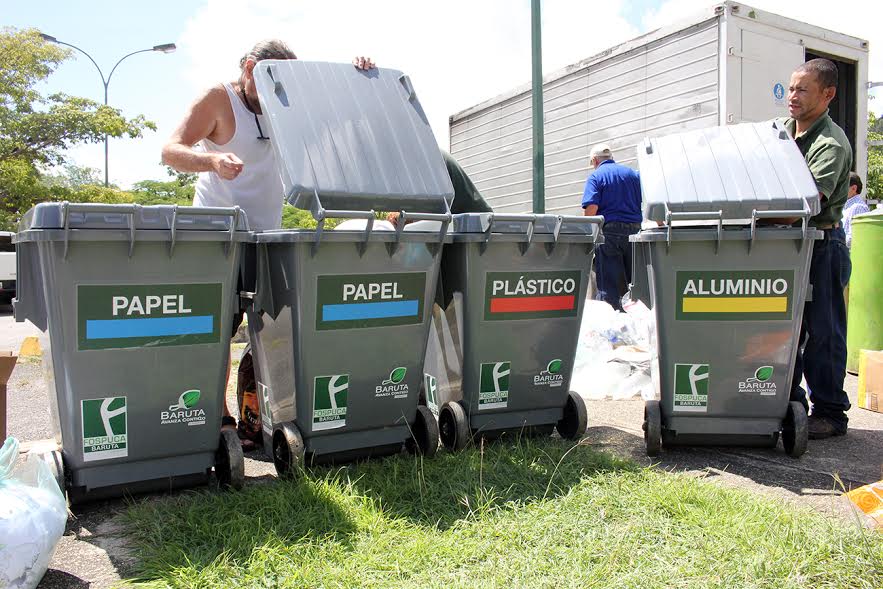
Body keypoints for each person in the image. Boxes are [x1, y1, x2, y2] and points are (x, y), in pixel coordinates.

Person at [162, 39, 375, 447]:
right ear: (248, 67)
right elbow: (171, 150)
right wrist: (211, 160)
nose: (277, 86)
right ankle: (219, 417)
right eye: (269, 76)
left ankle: (267, 411)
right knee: (218, 331)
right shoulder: (218, 99)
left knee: (275, 328)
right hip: (218, 238)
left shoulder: (285, 103)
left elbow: (341, 113)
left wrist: (359, 73)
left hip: (268, 238)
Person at [780, 58, 853, 439]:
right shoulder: (782, 136)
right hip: (791, 247)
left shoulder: (829, 143)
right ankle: (789, 403)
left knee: (823, 332)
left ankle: (830, 412)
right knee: (785, 330)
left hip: (823, 245)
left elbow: (803, 206)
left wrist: (758, 219)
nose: (793, 96)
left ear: (828, 94)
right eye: (791, 88)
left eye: (802, 89)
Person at [580, 143, 642, 311]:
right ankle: (637, 321)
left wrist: (588, 235)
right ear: (611, 157)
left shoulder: (596, 176)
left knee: (608, 284)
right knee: (636, 283)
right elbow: (651, 201)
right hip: (635, 233)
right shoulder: (633, 175)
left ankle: (611, 327)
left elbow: (591, 208)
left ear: (594, 160)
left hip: (609, 234)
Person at [386, 151, 492, 225]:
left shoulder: (429, 161)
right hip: (467, 228)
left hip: (478, 229)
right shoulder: (423, 156)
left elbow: (428, 216)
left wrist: (404, 219)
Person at [842, 172, 870, 248]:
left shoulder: (858, 207)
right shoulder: (847, 206)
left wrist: (835, 239)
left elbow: (856, 238)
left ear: (854, 188)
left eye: (842, 186)